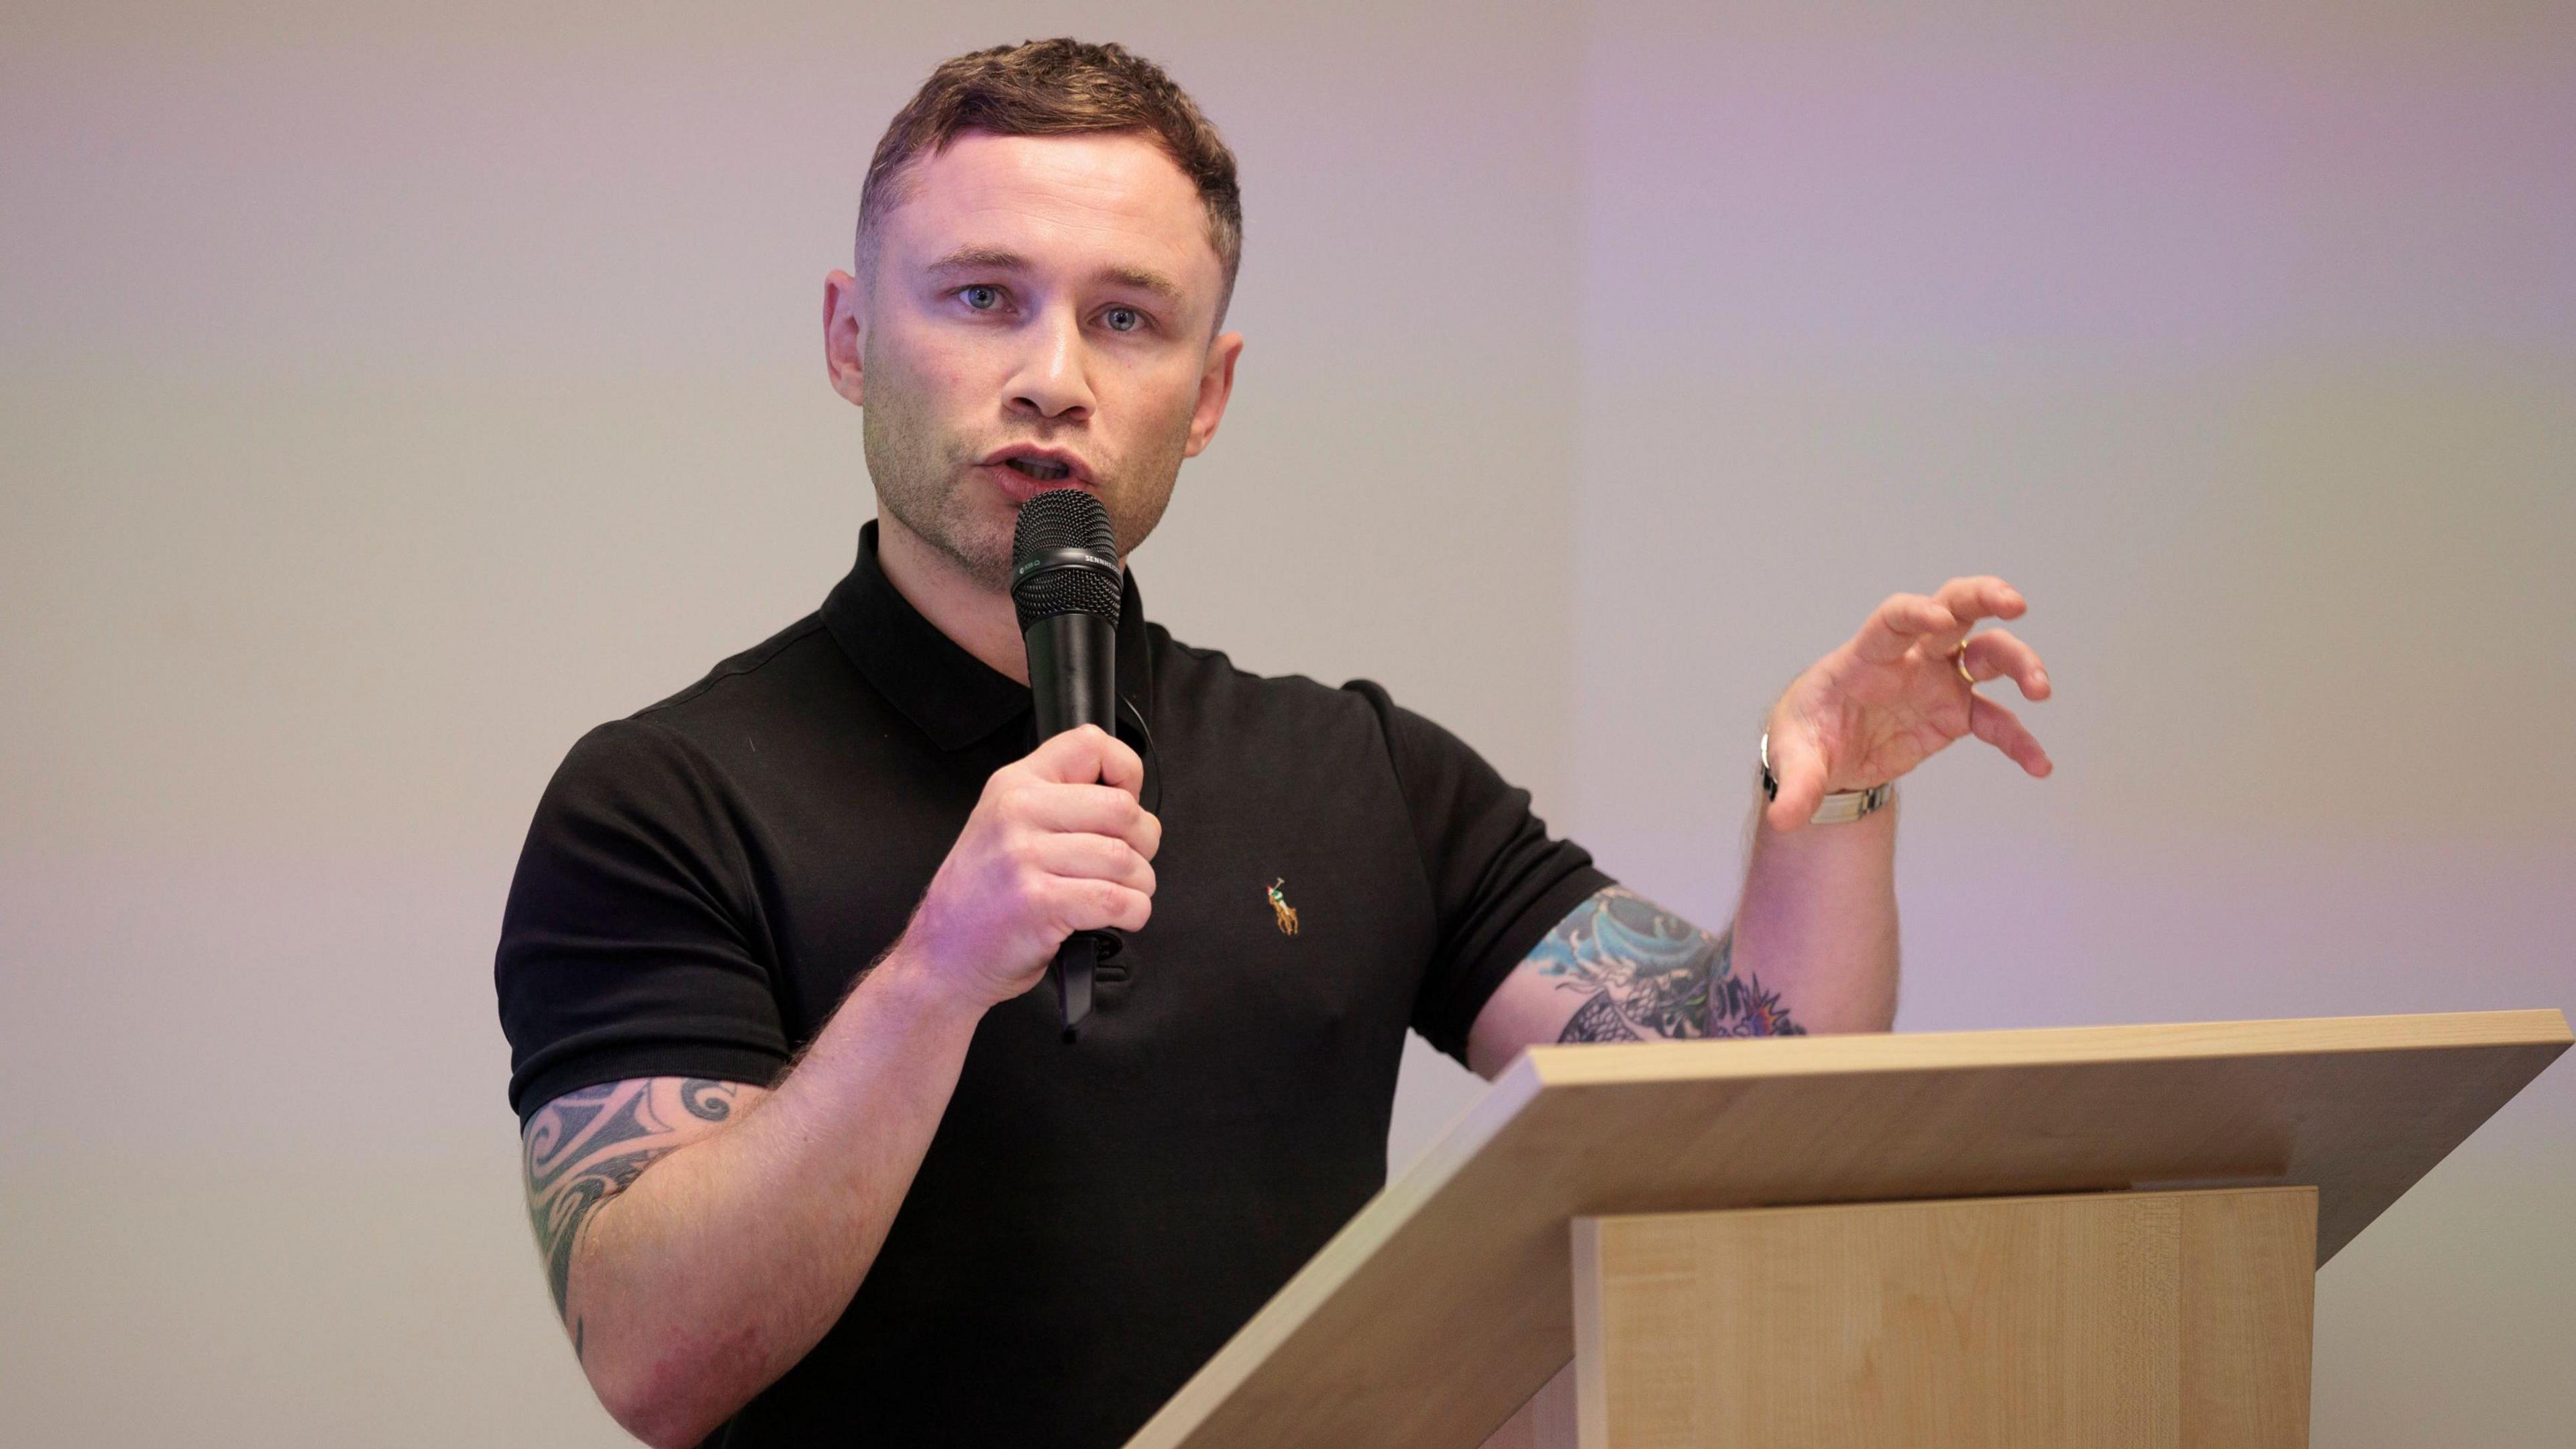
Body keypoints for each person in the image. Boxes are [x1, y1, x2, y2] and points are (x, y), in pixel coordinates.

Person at [494, 37, 2054, 1449]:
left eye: (1126, 318)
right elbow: (654, 1358)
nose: (1054, 378)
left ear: (1209, 393)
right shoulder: (665, 801)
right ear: (850, 338)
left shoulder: (1358, 774)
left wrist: (1836, 796)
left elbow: (1737, 1113)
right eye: (981, 297)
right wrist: (935, 978)